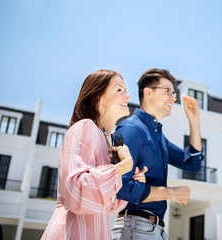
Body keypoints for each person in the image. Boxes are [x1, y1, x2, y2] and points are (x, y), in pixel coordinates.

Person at [41, 70, 146, 240]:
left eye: (126, 91)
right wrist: (123, 166)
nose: (127, 96)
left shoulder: (105, 143)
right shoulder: (85, 126)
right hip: (72, 232)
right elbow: (76, 192)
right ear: (98, 97)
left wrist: (130, 178)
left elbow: (106, 207)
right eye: (119, 90)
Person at [111, 68, 204, 239]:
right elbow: (118, 187)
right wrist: (170, 193)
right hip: (135, 228)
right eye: (168, 92)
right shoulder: (132, 128)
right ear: (148, 93)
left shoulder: (158, 135)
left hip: (154, 230)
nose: (173, 98)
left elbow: (192, 163)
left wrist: (194, 122)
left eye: (174, 93)